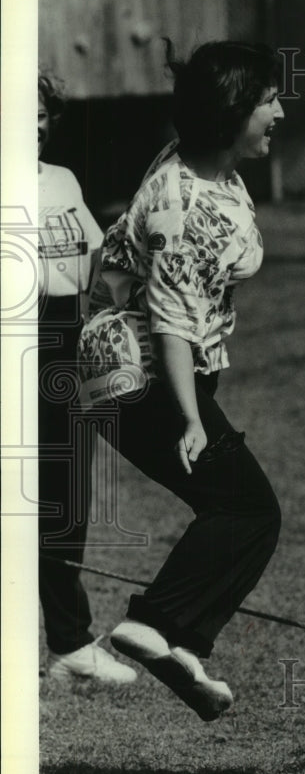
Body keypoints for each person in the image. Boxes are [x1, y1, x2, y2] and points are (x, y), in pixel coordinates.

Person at [77, 41, 284, 721]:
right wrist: (191, 418)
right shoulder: (190, 206)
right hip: (148, 386)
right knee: (247, 509)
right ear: (232, 114)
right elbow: (170, 319)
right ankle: (162, 625)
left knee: (231, 507)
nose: (280, 112)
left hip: (138, 378)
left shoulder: (191, 165)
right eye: (267, 102)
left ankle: (177, 636)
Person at [38, 71, 138, 685]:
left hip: (66, 343)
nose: (34, 120)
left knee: (66, 496)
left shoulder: (63, 180)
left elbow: (98, 258)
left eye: (42, 109)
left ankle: (69, 645)